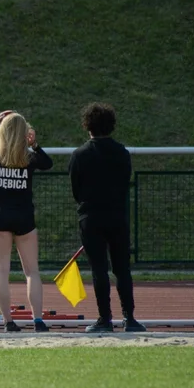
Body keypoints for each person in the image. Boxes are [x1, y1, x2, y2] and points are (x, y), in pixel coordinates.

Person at [0, 110, 53, 332]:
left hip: (0, 216)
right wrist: (34, 144)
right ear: (25, 133)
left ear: (2, 131)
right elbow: (48, 163)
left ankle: (8, 322)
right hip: (24, 217)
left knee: (2, 271)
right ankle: (38, 321)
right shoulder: (30, 157)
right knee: (32, 271)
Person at [68, 103, 146, 333]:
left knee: (99, 269)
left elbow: (76, 189)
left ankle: (105, 319)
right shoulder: (122, 153)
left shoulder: (80, 155)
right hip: (117, 216)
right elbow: (125, 182)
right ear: (111, 125)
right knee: (122, 268)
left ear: (87, 126)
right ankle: (129, 318)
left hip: (91, 217)